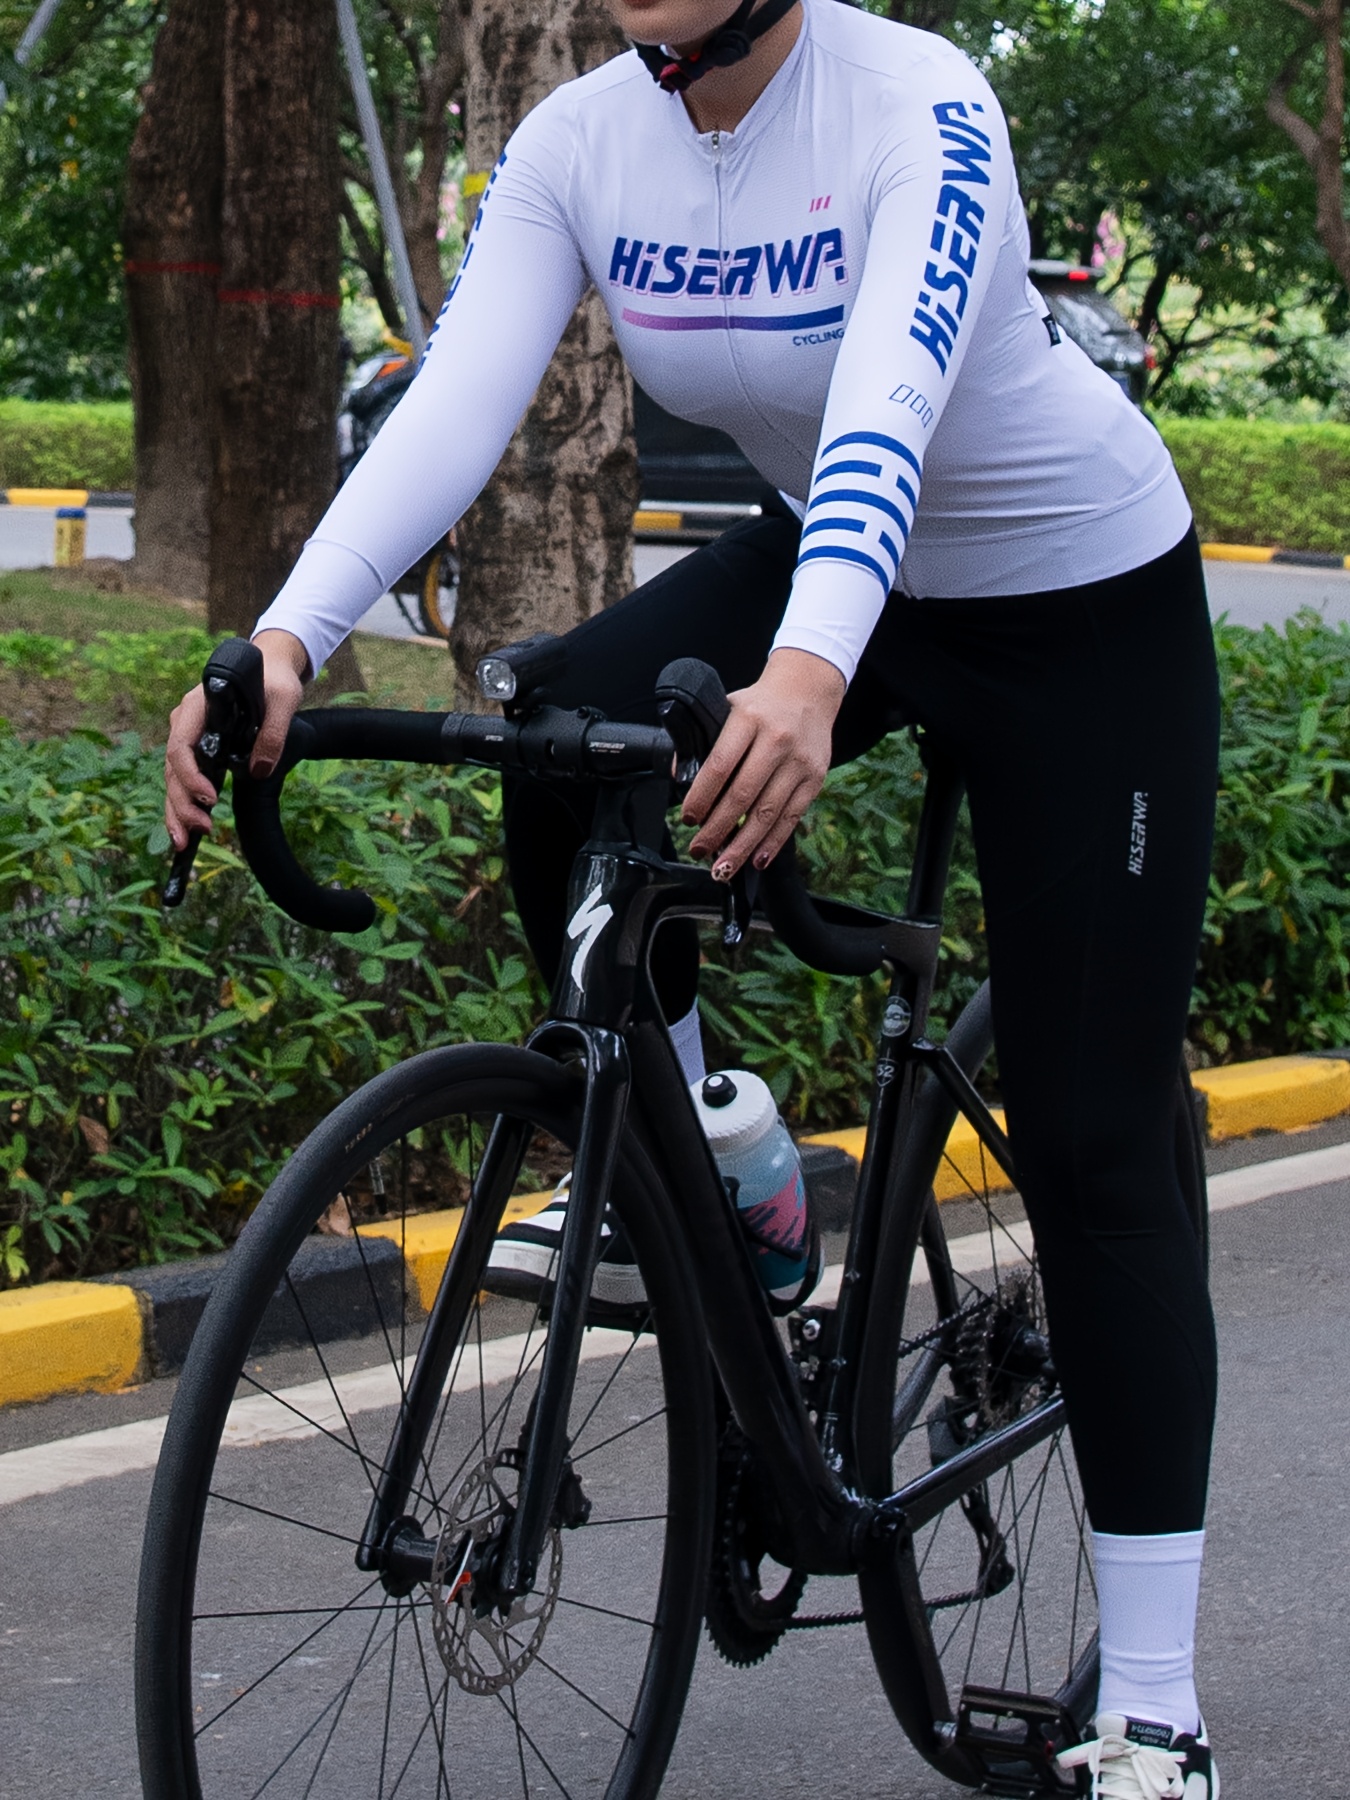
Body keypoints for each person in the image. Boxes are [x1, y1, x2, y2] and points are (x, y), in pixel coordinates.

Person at [165, 2, 1220, 1792]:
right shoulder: (581, 139)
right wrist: (288, 636)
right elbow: (456, 398)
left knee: (1093, 1134)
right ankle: (728, 1168)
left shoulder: (917, 103)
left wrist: (807, 674)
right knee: (562, 749)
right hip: (833, 566)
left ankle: (1154, 1713)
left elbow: (887, 403)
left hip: (1072, 604)